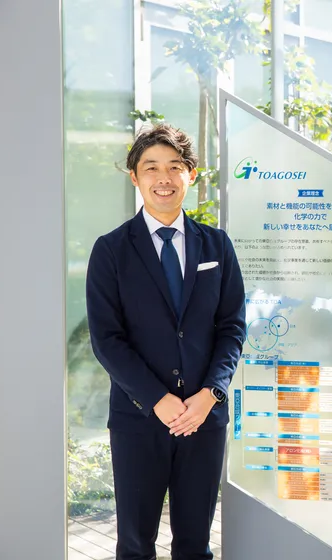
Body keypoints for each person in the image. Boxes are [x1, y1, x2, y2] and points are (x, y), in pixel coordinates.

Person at [86, 124, 246, 560]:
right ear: (134, 177)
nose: (164, 178)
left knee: (196, 544)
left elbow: (232, 327)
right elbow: (107, 339)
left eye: (175, 167)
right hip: (139, 420)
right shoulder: (111, 250)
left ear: (190, 174)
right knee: (135, 545)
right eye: (151, 167)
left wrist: (211, 394)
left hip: (203, 417)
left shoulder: (216, 245)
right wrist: (157, 399)